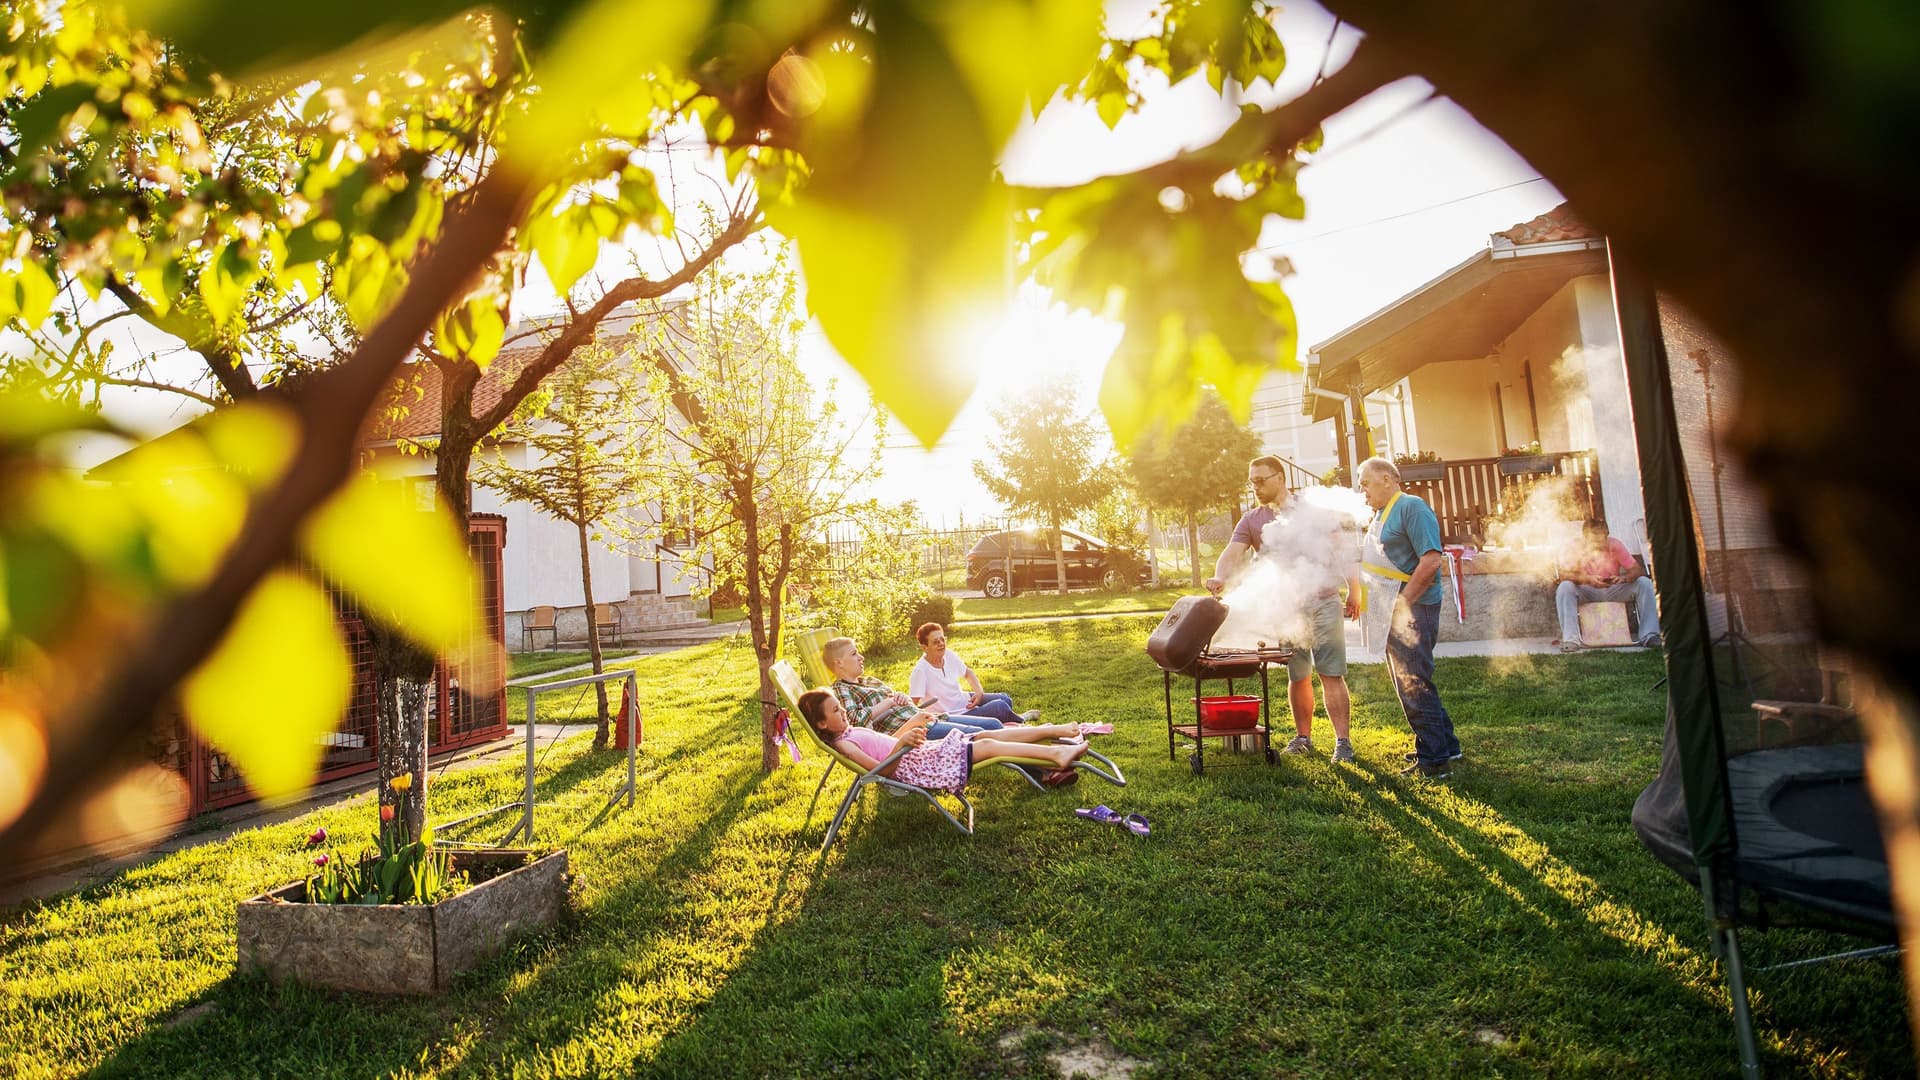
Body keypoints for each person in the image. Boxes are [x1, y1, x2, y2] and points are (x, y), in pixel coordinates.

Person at [1205, 455, 1363, 764]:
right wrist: (1220, 576)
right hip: (1287, 610)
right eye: (1252, 482)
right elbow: (1231, 552)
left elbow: (1340, 547)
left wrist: (1354, 589)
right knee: (1298, 675)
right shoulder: (1251, 519)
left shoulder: (1311, 510)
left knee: (1331, 674)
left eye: (1261, 480)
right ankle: (1303, 737)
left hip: (1323, 601)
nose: (1256, 487)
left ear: (1280, 478)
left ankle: (1343, 743)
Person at [823, 636, 1080, 785]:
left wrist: (902, 702)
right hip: (915, 733)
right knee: (989, 729)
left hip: (928, 718)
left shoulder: (871, 682)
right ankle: (1046, 771)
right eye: (855, 654)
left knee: (990, 724)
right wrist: (891, 703)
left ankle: (1051, 744)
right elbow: (855, 722)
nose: (861, 658)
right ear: (839, 663)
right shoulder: (841, 691)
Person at [1357, 456, 1462, 780]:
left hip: (1413, 609)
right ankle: (1446, 746)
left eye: (1365, 484)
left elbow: (1431, 561)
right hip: (1391, 607)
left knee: (1413, 683)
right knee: (1415, 681)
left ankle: (1433, 762)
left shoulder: (1412, 507)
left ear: (1387, 479)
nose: (1362, 492)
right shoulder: (1381, 514)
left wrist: (1403, 604)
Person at [795, 689, 1091, 794]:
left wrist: (911, 725)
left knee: (986, 735)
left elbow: (886, 744)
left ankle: (1056, 732)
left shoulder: (849, 732)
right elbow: (880, 771)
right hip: (919, 766)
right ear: (821, 723)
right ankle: (1055, 755)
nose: (843, 711)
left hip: (920, 754)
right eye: (836, 710)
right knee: (986, 746)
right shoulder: (844, 745)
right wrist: (902, 746)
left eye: (841, 706)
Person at [1554, 517, 1661, 652]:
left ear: (1607, 535)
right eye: (1594, 541)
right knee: (1565, 587)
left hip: (1613, 589)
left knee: (1644, 583)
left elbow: (1637, 570)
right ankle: (1571, 639)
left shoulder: (1615, 545)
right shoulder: (1575, 547)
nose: (1598, 545)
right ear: (1585, 537)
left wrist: (1624, 578)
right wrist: (1587, 579)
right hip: (1586, 590)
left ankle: (1649, 635)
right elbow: (1564, 575)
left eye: (1601, 540)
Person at [907, 622, 1039, 725]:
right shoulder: (920, 671)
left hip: (964, 701)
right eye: (936, 642)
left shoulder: (948, 654)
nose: (941, 644)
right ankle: (1021, 718)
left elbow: (968, 673)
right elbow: (912, 704)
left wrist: (978, 692)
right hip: (954, 715)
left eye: (943, 639)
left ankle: (1009, 719)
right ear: (924, 647)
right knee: (1000, 707)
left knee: (1005, 698)